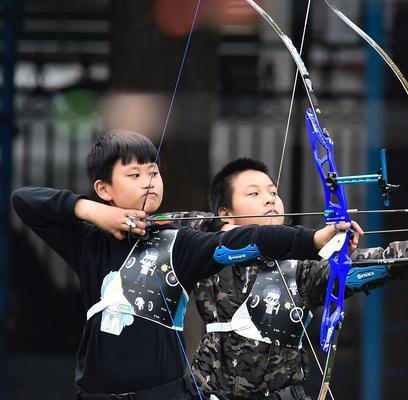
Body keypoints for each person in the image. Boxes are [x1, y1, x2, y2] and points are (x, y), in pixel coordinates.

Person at [11, 130, 358, 399]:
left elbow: (242, 240)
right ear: (104, 188)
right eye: (134, 175)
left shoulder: (178, 243)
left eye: (154, 172)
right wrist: (92, 211)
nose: (149, 181)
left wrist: (313, 240)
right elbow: (24, 200)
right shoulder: (88, 244)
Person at [190, 158, 408, 400]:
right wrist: (220, 229)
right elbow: (172, 227)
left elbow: (363, 266)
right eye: (253, 194)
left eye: (273, 192)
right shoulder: (207, 253)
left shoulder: (301, 268)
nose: (270, 199)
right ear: (225, 213)